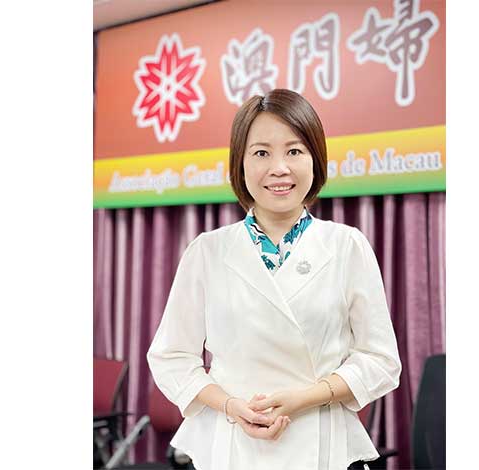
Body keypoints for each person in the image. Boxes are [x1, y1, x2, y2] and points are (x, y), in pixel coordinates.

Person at [147, 89, 402, 470]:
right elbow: (171, 356)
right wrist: (230, 405)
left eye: (294, 151)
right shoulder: (207, 251)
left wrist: (306, 398)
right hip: (231, 442)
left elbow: (380, 360)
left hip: (320, 438)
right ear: (240, 163)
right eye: (261, 153)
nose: (279, 168)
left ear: (315, 160)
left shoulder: (347, 246)